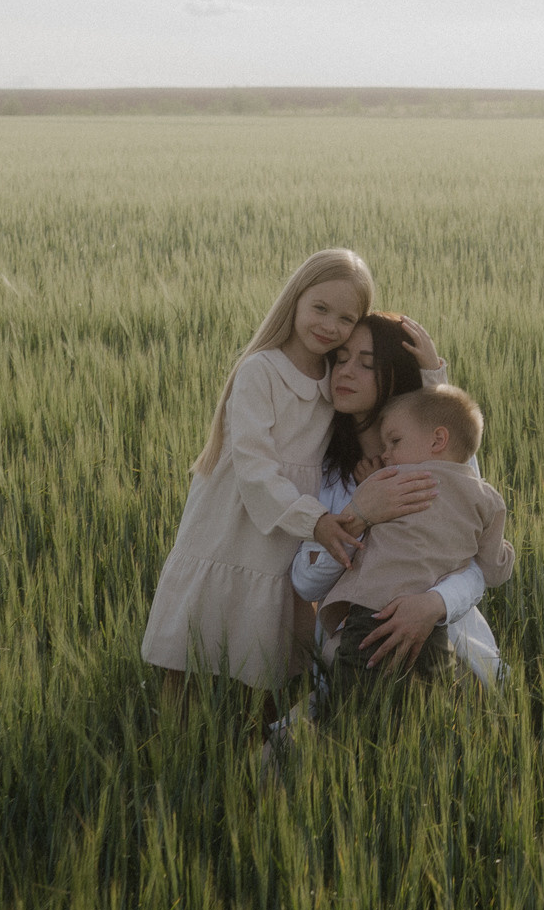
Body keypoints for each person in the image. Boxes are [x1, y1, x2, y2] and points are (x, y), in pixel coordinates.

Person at [138, 252, 450, 720]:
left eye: (347, 317)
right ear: (295, 299)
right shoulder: (260, 370)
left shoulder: (333, 379)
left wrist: (431, 375)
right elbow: (254, 470)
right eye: (320, 308)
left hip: (285, 533)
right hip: (233, 521)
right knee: (194, 643)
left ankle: (251, 732)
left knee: (265, 652)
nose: (330, 326)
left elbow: (423, 429)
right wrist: (318, 520)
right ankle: (174, 736)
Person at [285, 316, 507, 687]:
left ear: (394, 374)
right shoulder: (323, 468)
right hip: (353, 657)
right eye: (341, 359)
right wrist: (359, 514)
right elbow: (306, 583)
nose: (346, 372)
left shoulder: (440, 464)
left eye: (367, 364)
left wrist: (434, 605)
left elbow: (477, 565)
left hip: (453, 654)